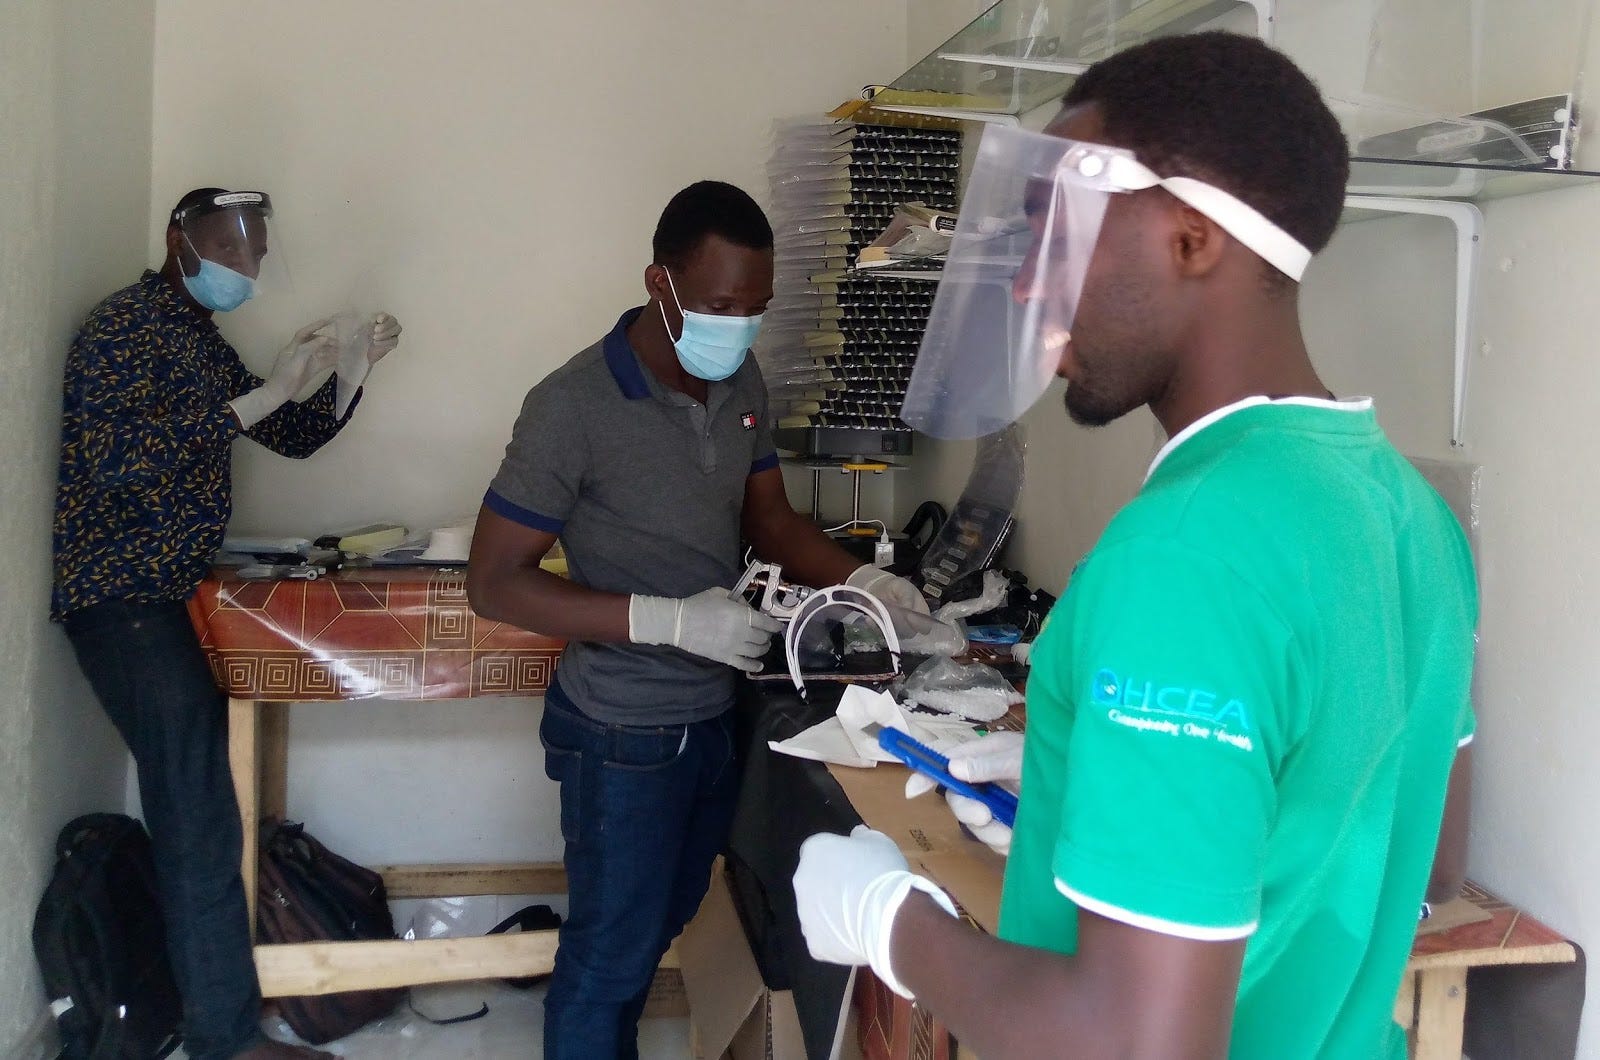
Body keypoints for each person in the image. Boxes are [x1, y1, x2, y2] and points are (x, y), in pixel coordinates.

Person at [792, 33, 1477, 1060]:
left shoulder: (1183, 558)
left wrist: (891, 921)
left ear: (1192, 238)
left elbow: (1133, 1044)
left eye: (1056, 236)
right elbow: (1425, 865)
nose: (1026, 288)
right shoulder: (1407, 512)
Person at [467, 179, 925, 1060]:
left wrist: (868, 582)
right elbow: (496, 583)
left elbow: (773, 521)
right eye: (721, 306)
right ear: (659, 284)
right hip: (623, 734)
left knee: (658, 925)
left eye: (757, 307)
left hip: (714, 718)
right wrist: (668, 622)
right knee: (608, 958)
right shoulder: (571, 408)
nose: (741, 326)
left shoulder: (740, 376)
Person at [51, 187, 403, 1060]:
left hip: (164, 594)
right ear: (181, 241)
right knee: (199, 807)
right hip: (120, 595)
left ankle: (219, 1024)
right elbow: (117, 460)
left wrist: (352, 367)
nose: (244, 266)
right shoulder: (121, 328)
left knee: (200, 802)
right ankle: (223, 1038)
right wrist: (255, 398)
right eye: (229, 248)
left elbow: (291, 434)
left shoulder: (193, 340)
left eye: (254, 253)